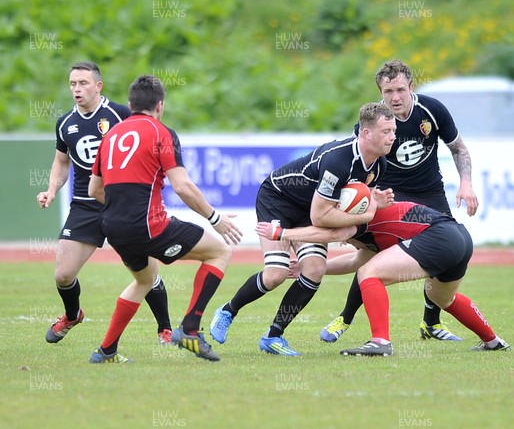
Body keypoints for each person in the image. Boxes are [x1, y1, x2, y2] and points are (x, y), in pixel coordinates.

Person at [209, 102, 397, 356]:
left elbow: (354, 198)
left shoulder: (378, 164)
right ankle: (228, 311)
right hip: (278, 200)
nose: (392, 137)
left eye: (393, 131)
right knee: (275, 273)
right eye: (386, 131)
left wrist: (372, 200)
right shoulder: (339, 159)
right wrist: (367, 213)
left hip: (311, 208)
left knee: (315, 269)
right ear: (366, 133)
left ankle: (273, 336)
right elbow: (320, 216)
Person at [320, 59, 480, 344]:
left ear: (411, 87)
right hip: (389, 195)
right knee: (371, 258)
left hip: (431, 192)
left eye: (400, 90)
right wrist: (358, 207)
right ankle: (345, 317)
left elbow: (458, 148)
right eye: (387, 91)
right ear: (380, 91)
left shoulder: (433, 110)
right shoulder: (373, 122)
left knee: (444, 253)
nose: (394, 97)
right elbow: (359, 163)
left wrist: (466, 183)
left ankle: (431, 323)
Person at [87, 74, 242, 363]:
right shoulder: (161, 133)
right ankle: (191, 329)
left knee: (144, 280)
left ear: (130, 104)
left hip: (113, 226)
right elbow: (182, 186)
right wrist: (215, 217)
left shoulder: (111, 136)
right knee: (220, 251)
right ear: (160, 105)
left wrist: (125, 208)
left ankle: (106, 351)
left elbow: (94, 189)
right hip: (148, 225)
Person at [256, 201, 510, 356]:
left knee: (370, 274)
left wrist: (281, 232)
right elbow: (355, 260)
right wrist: (309, 268)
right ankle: (492, 341)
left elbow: (333, 235)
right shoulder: (367, 225)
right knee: (441, 297)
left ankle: (380, 342)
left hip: (439, 237)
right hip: (459, 238)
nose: (344, 239)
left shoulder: (360, 219)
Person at [36, 61, 173, 345]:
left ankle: (165, 329)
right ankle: (73, 315)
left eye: (83, 83)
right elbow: (61, 162)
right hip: (85, 206)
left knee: (147, 272)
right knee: (63, 274)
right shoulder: (65, 123)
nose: (77, 89)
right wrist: (51, 190)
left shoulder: (120, 115)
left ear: (98, 86)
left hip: (122, 204)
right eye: (73, 83)